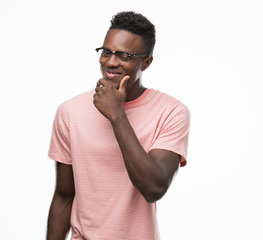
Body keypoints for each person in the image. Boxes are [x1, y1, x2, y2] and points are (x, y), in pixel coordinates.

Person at [46, 11, 190, 240]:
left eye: (124, 55)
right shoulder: (69, 112)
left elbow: (154, 188)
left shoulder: (171, 112)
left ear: (147, 61)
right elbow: (64, 196)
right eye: (106, 52)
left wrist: (117, 116)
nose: (111, 62)